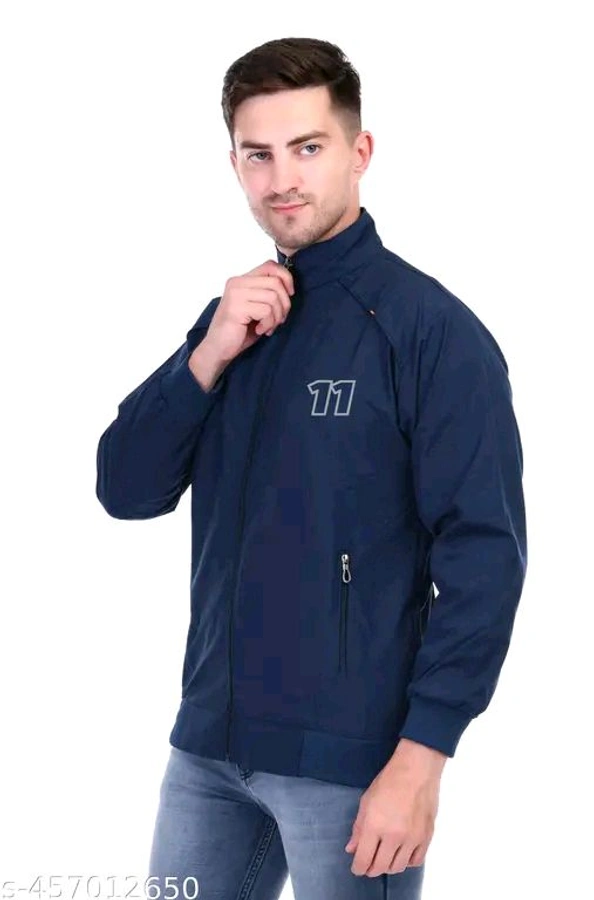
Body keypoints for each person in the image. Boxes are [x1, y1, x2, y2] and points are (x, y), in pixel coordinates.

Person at [96, 36, 527, 899]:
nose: (282, 178)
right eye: (258, 154)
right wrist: (208, 353)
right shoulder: (236, 321)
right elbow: (126, 488)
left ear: (359, 152)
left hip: (351, 764)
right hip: (207, 752)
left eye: (307, 147)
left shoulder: (430, 332)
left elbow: (485, 557)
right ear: (235, 165)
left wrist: (422, 758)